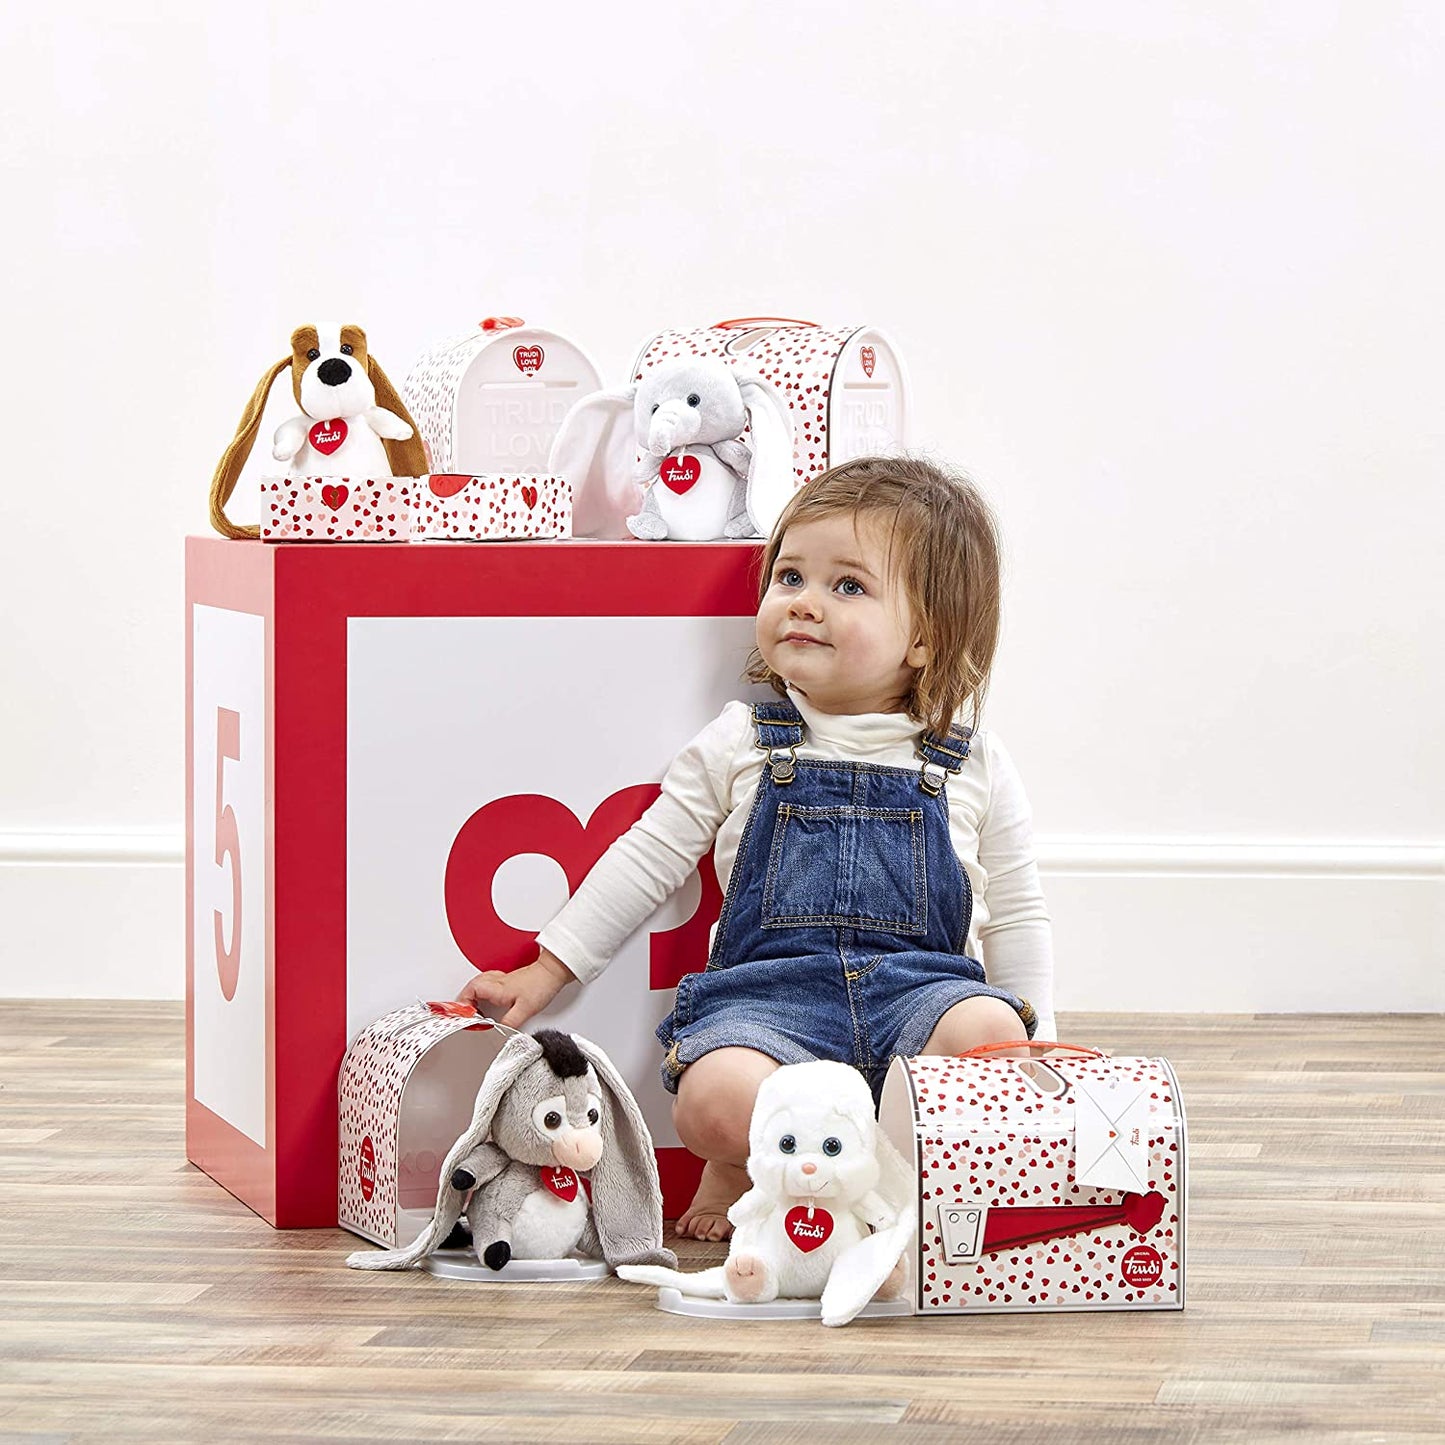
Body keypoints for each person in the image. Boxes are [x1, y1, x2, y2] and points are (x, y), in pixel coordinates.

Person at [457, 456, 1056, 1241]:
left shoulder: (969, 760)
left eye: (848, 586)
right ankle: (762, 1166)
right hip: (770, 1005)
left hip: (920, 997)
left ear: (924, 638)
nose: (804, 601)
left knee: (991, 1038)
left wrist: (1039, 1052)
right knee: (710, 1105)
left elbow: (1016, 909)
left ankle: (842, 1178)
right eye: (789, 576)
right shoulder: (744, 739)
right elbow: (647, 858)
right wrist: (545, 969)